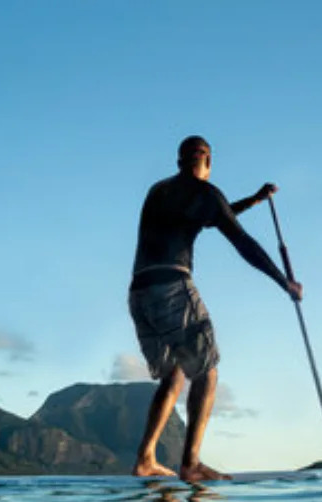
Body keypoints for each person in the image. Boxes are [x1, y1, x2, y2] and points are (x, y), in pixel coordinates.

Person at [129, 135, 303, 482]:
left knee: (174, 373)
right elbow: (242, 241)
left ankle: (146, 458)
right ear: (207, 161)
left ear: (179, 162)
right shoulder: (206, 194)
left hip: (139, 293)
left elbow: (209, 215)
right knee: (206, 370)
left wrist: (252, 201)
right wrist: (284, 282)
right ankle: (191, 463)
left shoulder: (158, 191)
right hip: (172, 287)